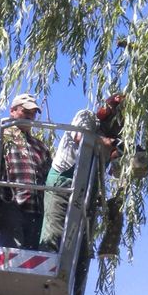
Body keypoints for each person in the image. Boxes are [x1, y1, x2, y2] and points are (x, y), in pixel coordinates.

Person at [0, 93, 51, 249]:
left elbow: (49, 176)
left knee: (34, 257)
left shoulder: (40, 146)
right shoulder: (0, 135)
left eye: (32, 114)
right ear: (12, 111)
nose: (29, 117)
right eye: (25, 112)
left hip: (36, 209)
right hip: (11, 205)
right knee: (12, 254)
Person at [39, 108, 99, 253]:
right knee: (54, 232)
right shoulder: (87, 116)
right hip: (61, 179)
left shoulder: (105, 134)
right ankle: (47, 262)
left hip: (79, 186)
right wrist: (105, 143)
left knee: (73, 239)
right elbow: (81, 138)